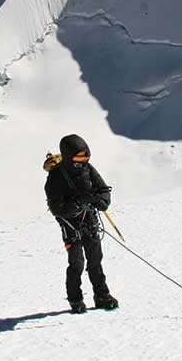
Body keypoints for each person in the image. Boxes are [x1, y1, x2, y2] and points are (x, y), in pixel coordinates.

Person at [44, 134, 119, 313]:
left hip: (90, 221)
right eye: (79, 157)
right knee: (76, 263)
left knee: (95, 261)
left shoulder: (88, 169)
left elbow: (103, 188)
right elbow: (57, 209)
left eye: (85, 157)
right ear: (69, 156)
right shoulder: (55, 177)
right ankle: (75, 299)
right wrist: (78, 203)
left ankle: (102, 296)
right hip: (71, 227)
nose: (83, 160)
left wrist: (102, 200)